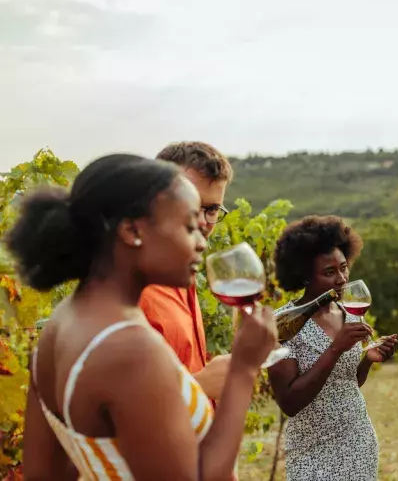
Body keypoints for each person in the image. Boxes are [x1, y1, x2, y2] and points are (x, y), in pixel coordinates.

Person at [11, 154, 277, 480]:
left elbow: (44, 474)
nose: (200, 243)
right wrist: (243, 371)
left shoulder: (60, 326)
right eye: (189, 226)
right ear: (132, 230)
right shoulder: (131, 348)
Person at [267, 215, 398, 481]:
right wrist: (335, 349)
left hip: (357, 441)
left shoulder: (349, 313)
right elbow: (290, 403)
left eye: (343, 268)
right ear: (304, 276)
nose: (341, 279)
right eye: (329, 272)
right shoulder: (284, 324)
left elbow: (346, 383)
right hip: (310, 450)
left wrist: (367, 360)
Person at [139, 141, 234, 400]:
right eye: (190, 207)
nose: (202, 222)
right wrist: (200, 388)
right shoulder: (129, 290)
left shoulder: (183, 276)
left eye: (212, 209)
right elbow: (115, 413)